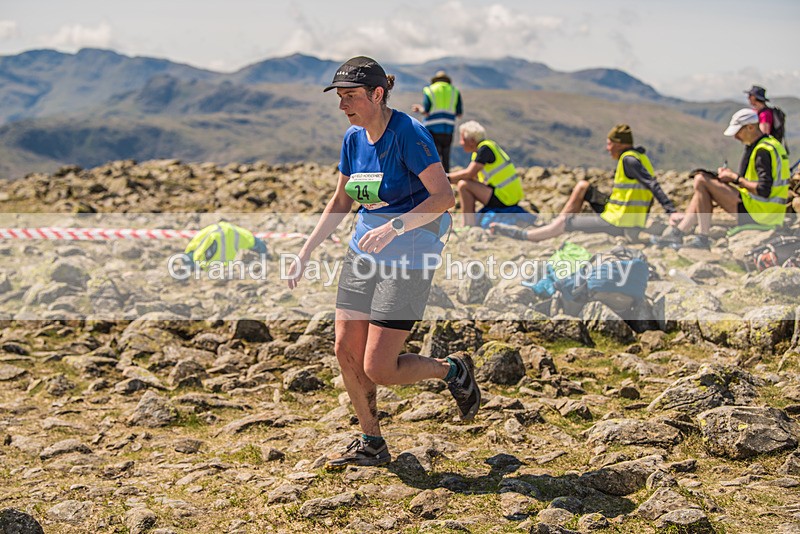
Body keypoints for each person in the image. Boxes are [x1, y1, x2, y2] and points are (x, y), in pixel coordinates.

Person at [286, 56, 480, 469]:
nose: (343, 106)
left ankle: (451, 370)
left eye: (351, 97)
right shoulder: (353, 138)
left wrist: (394, 227)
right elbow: (341, 200)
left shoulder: (409, 133)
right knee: (345, 349)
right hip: (362, 252)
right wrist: (306, 250)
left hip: (409, 257)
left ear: (377, 94)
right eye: (339, 97)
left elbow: (444, 197)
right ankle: (370, 440)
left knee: (380, 367)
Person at [491, 124, 676, 242]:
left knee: (567, 222)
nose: (607, 148)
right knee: (583, 186)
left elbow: (652, 184)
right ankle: (553, 225)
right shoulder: (637, 156)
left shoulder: (630, 161)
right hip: (616, 212)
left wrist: (671, 211)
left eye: (609, 143)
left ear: (619, 144)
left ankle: (530, 235)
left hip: (618, 222)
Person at [654, 108, 790, 249]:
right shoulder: (771, 144)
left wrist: (734, 178)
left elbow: (763, 190)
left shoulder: (762, 151)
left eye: (738, 132)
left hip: (761, 213)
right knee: (703, 183)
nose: (736, 137)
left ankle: (701, 237)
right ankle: (679, 232)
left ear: (750, 127)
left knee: (701, 180)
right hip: (771, 212)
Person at [447, 120, 525, 227]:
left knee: (463, 185)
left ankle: (468, 225)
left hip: (504, 197)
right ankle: (469, 224)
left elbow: (469, 174)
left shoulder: (484, 149)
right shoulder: (486, 148)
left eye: (463, 139)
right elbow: (473, 178)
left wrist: (446, 179)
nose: (460, 143)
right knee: (465, 183)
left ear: (472, 141)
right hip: (508, 195)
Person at [411, 70, 463, 172]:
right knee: (446, 157)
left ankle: (434, 183)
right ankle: (447, 181)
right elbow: (459, 113)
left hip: (432, 128)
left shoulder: (429, 90)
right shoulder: (454, 91)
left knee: (433, 158)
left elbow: (426, 111)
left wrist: (419, 109)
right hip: (448, 128)